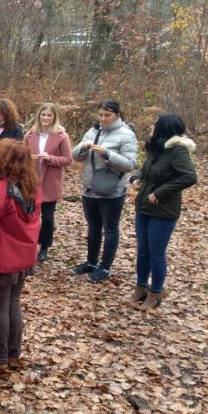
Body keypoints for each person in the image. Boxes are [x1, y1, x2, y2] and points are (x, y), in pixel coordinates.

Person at [0, 139, 41, 372]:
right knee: (12, 304)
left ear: (6, 161)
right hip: (22, 257)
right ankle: (12, 352)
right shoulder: (31, 187)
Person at [129, 114, 197, 310]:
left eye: (155, 124)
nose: (151, 126)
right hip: (143, 207)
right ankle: (141, 287)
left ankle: (155, 293)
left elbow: (189, 177)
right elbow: (145, 169)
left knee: (156, 253)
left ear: (164, 129)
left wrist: (160, 192)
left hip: (163, 210)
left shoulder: (177, 151)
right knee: (143, 251)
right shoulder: (156, 146)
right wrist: (135, 177)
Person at [71, 100, 138, 283]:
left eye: (107, 115)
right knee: (93, 227)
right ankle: (91, 262)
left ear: (117, 115)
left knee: (110, 228)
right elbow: (75, 156)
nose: (103, 118)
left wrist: (107, 154)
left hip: (112, 190)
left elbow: (130, 164)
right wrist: (83, 148)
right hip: (90, 187)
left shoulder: (126, 135)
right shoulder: (92, 131)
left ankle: (105, 267)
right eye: (100, 114)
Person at [24, 102, 73, 262]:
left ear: (54, 117)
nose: (45, 118)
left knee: (48, 217)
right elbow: (21, 153)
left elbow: (68, 159)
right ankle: (29, 243)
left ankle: (44, 246)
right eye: (43, 115)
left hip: (50, 181)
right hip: (31, 180)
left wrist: (50, 158)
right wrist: (27, 158)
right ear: (39, 116)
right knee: (30, 214)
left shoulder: (61, 136)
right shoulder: (30, 134)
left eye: (49, 115)